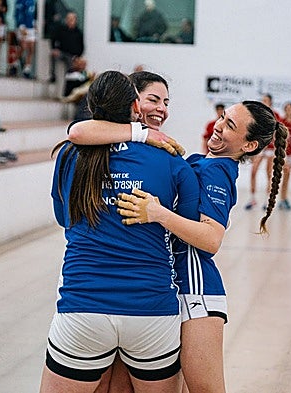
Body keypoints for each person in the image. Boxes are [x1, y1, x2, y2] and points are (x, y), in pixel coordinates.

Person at [68, 77, 288, 393]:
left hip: (195, 291)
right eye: (223, 117)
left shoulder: (216, 172)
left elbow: (211, 239)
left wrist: (159, 214)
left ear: (249, 145)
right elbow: (78, 133)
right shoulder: (197, 161)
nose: (218, 126)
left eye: (229, 126)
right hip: (160, 291)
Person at [39, 70, 201, 393]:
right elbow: (188, 232)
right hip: (151, 310)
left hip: (83, 307)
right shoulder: (170, 158)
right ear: (135, 106)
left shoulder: (69, 155)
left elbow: (64, 218)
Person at [244, 93, 281, 210]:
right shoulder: (258, 115)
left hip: (270, 148)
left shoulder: (276, 115)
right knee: (253, 171)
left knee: (269, 173)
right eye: (263, 100)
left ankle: (267, 200)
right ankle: (252, 199)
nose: (264, 102)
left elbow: (277, 133)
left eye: (266, 100)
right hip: (259, 148)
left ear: (270, 102)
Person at [49, 11, 84, 83]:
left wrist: (77, 56)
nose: (70, 21)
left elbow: (81, 46)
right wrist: (54, 49)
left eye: (72, 19)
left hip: (72, 55)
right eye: (68, 19)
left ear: (75, 20)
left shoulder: (78, 33)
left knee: (72, 62)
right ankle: (53, 76)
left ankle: (69, 81)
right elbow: (53, 39)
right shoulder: (61, 30)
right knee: (53, 56)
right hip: (62, 52)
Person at [14, 0, 37, 78]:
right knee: (23, 47)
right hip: (23, 27)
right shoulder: (20, 1)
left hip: (31, 27)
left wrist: (35, 23)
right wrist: (21, 26)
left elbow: (34, 13)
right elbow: (18, 14)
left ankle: (27, 69)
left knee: (31, 48)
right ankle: (15, 64)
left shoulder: (32, 1)